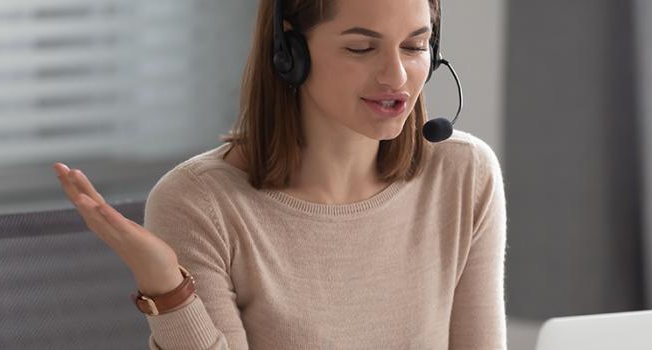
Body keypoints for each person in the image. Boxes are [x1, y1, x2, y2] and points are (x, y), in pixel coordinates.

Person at [52, 0, 506, 348]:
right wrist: (168, 291)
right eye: (361, 48)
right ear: (290, 52)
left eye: (415, 46)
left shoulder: (463, 174)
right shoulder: (199, 201)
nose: (397, 75)